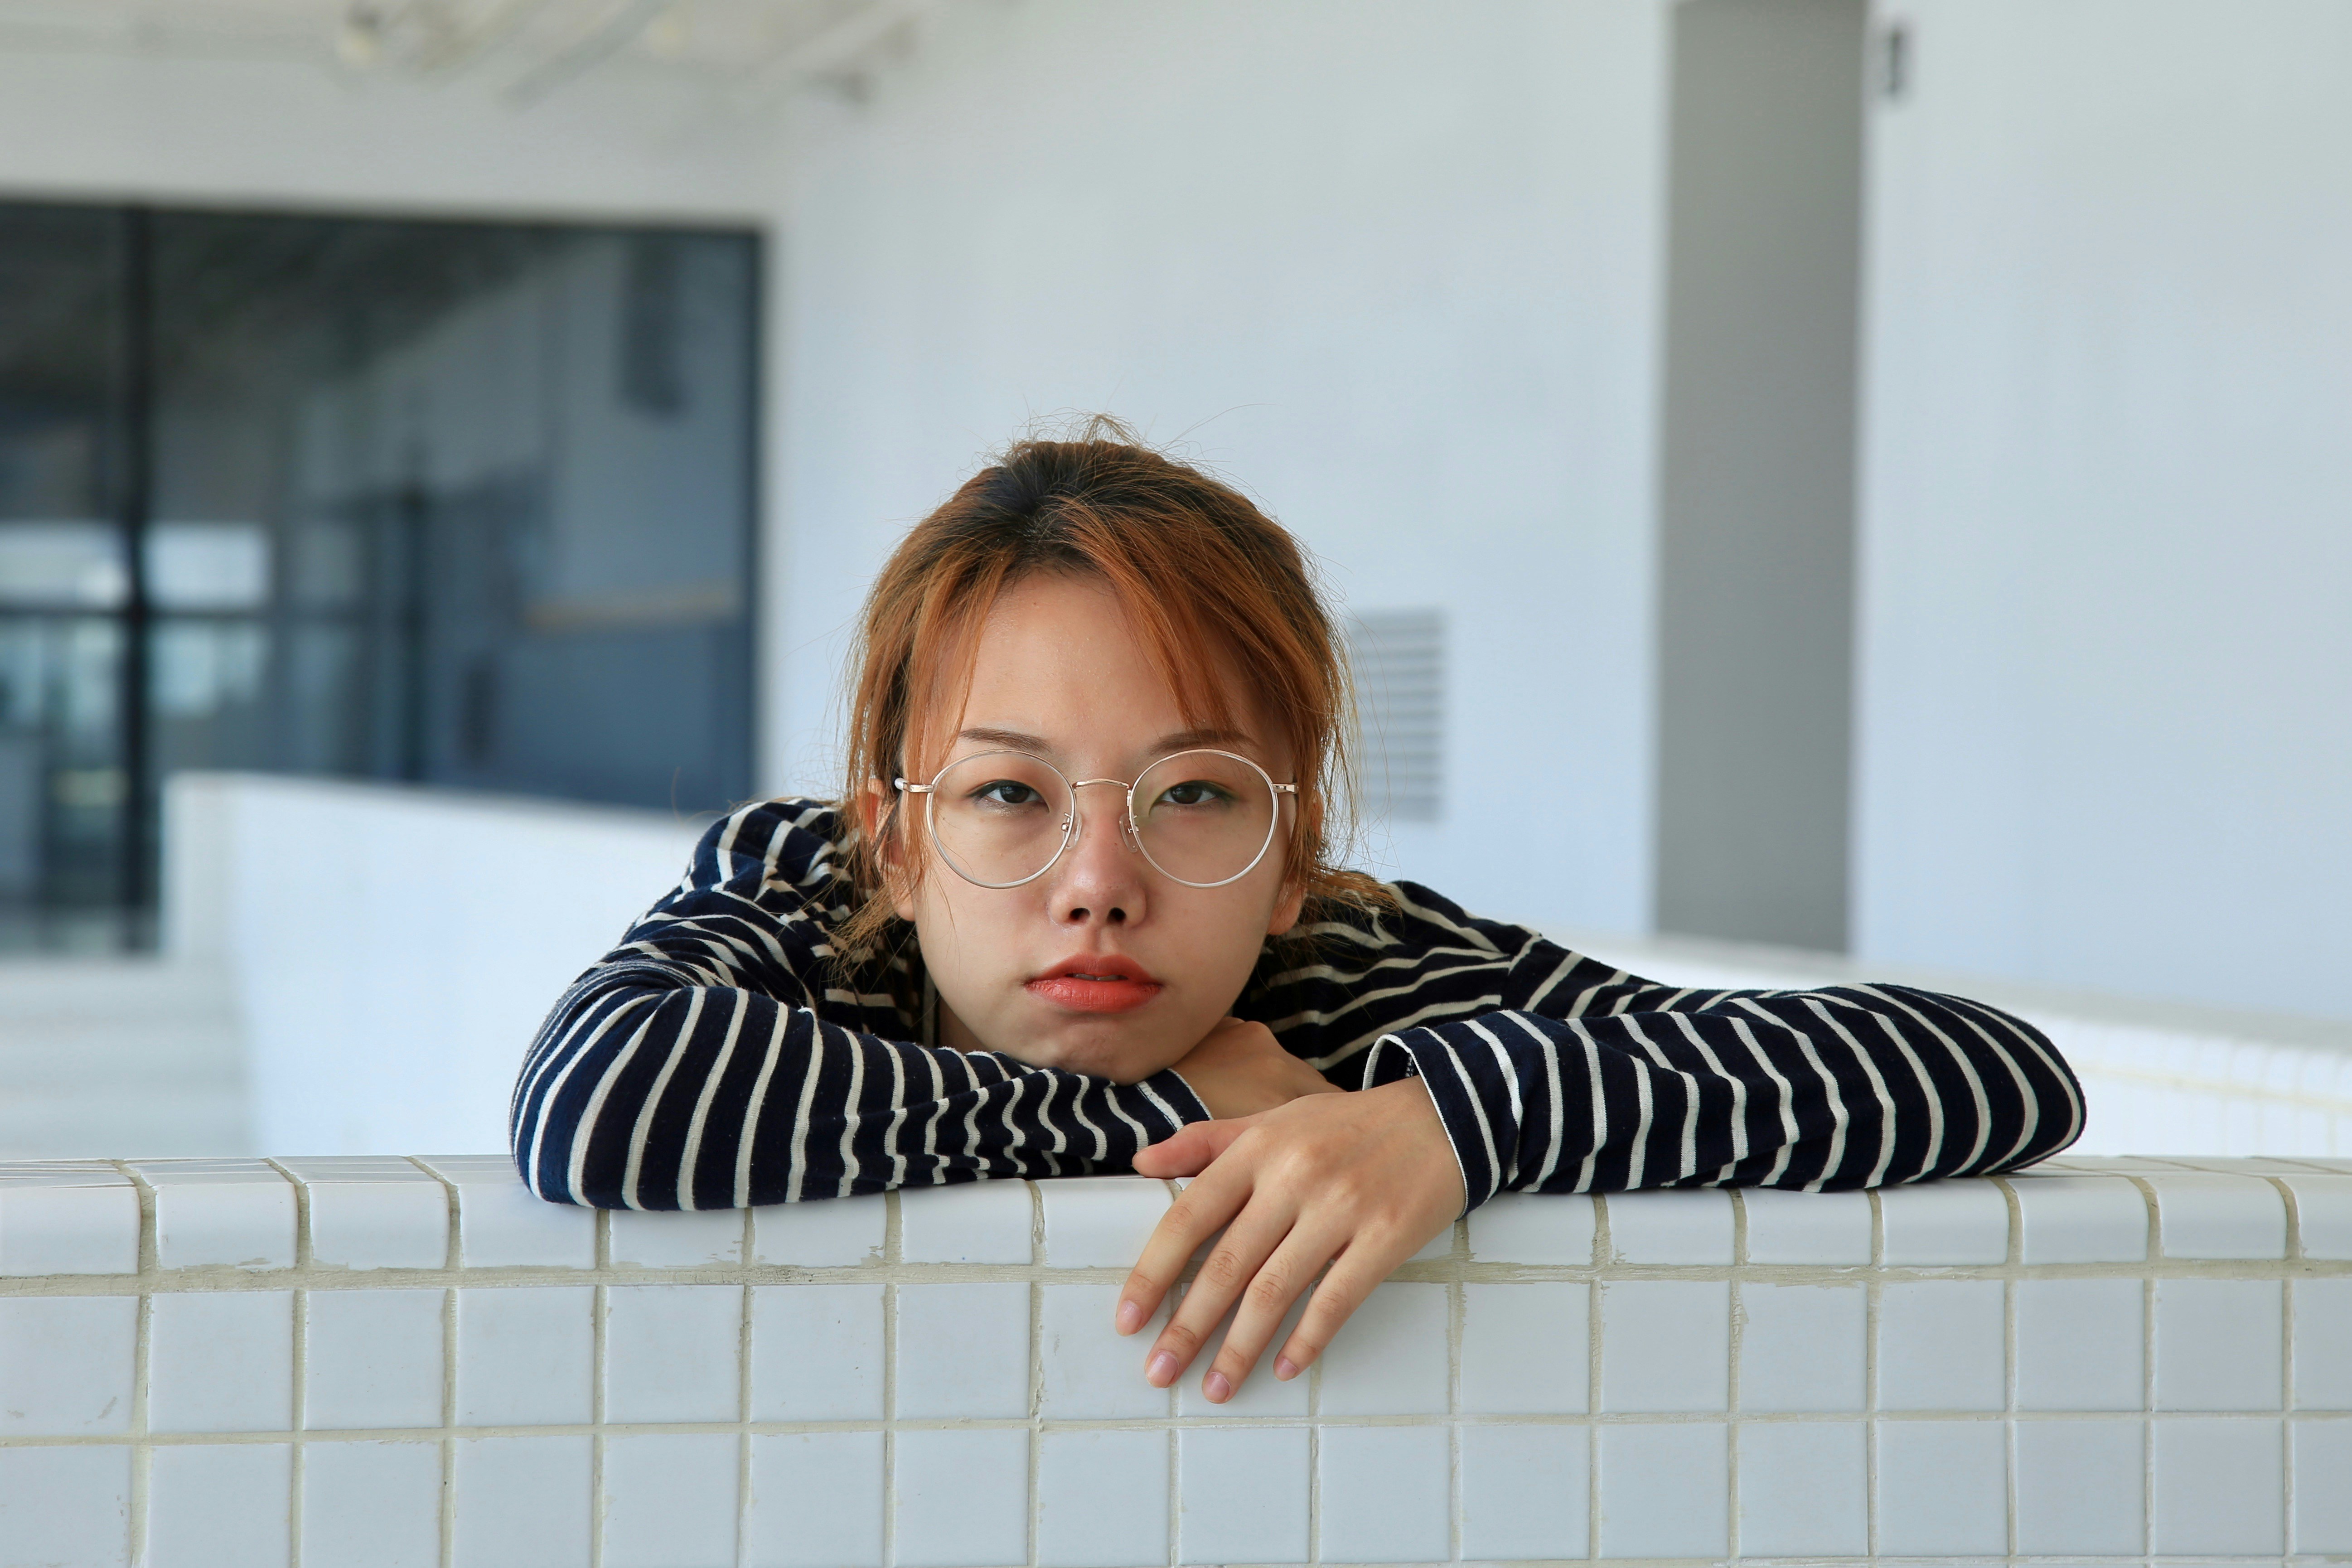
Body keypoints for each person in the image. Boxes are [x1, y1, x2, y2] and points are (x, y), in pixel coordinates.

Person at [511, 425, 2081, 1403]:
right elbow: (599, 1101)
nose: (1099, 879)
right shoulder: (812, 889)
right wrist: (1184, 1110)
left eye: (1194, 793)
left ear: (1289, 854)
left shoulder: (1356, 974)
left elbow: (1994, 1075)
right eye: (1007, 794)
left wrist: (1458, 1122)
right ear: (897, 839)